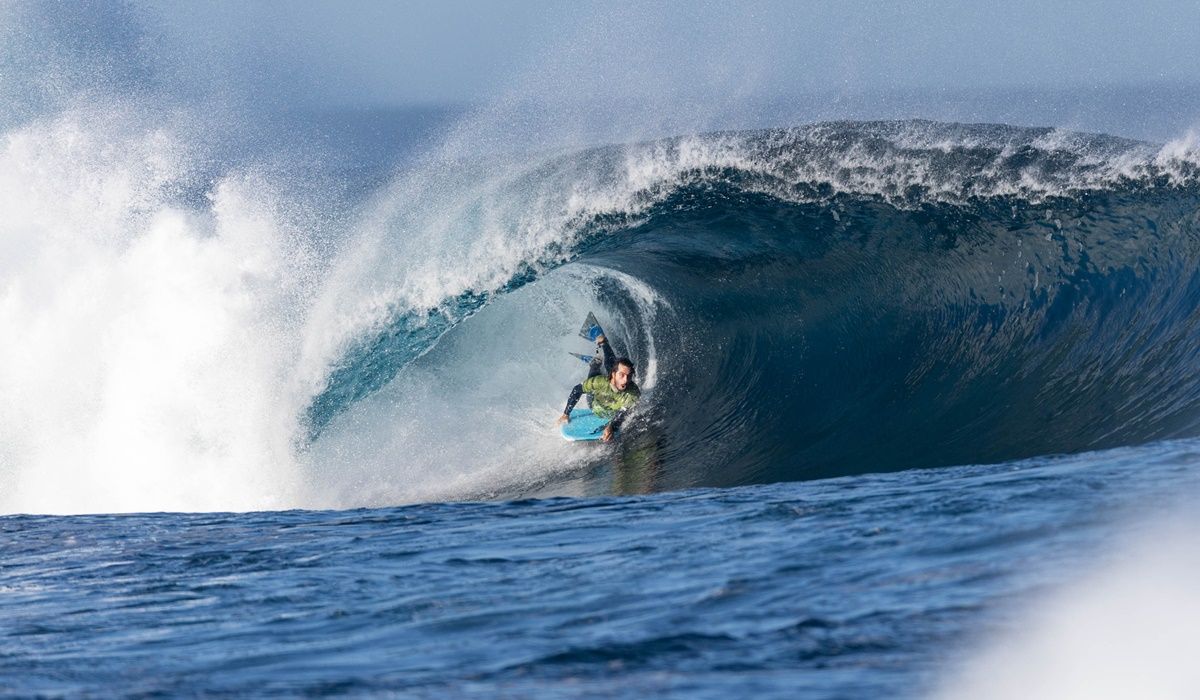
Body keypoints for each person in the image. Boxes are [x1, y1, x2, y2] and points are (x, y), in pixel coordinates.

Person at [557, 334, 640, 442]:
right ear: (614, 375)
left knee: (613, 366)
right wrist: (566, 413)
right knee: (596, 371)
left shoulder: (633, 393)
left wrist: (612, 426)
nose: (625, 380)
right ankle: (598, 356)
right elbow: (577, 389)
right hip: (594, 403)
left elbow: (622, 414)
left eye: (629, 376)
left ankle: (604, 345)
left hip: (610, 413)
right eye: (622, 375)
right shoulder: (600, 382)